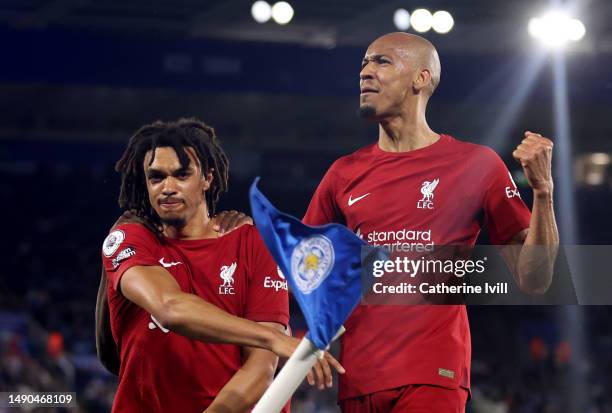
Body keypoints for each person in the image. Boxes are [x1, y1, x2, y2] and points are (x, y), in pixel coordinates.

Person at [302, 33, 559, 412]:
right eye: (363, 64)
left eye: (381, 62)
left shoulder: (477, 165)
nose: (365, 73)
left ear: (421, 79)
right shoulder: (343, 173)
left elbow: (535, 280)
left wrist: (543, 192)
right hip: (356, 377)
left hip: (432, 373)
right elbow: (302, 267)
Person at [98, 118, 341, 413]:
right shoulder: (129, 239)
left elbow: (261, 369)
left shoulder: (254, 244)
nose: (168, 187)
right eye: (156, 177)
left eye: (182, 174)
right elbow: (168, 307)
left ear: (207, 178)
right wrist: (274, 338)